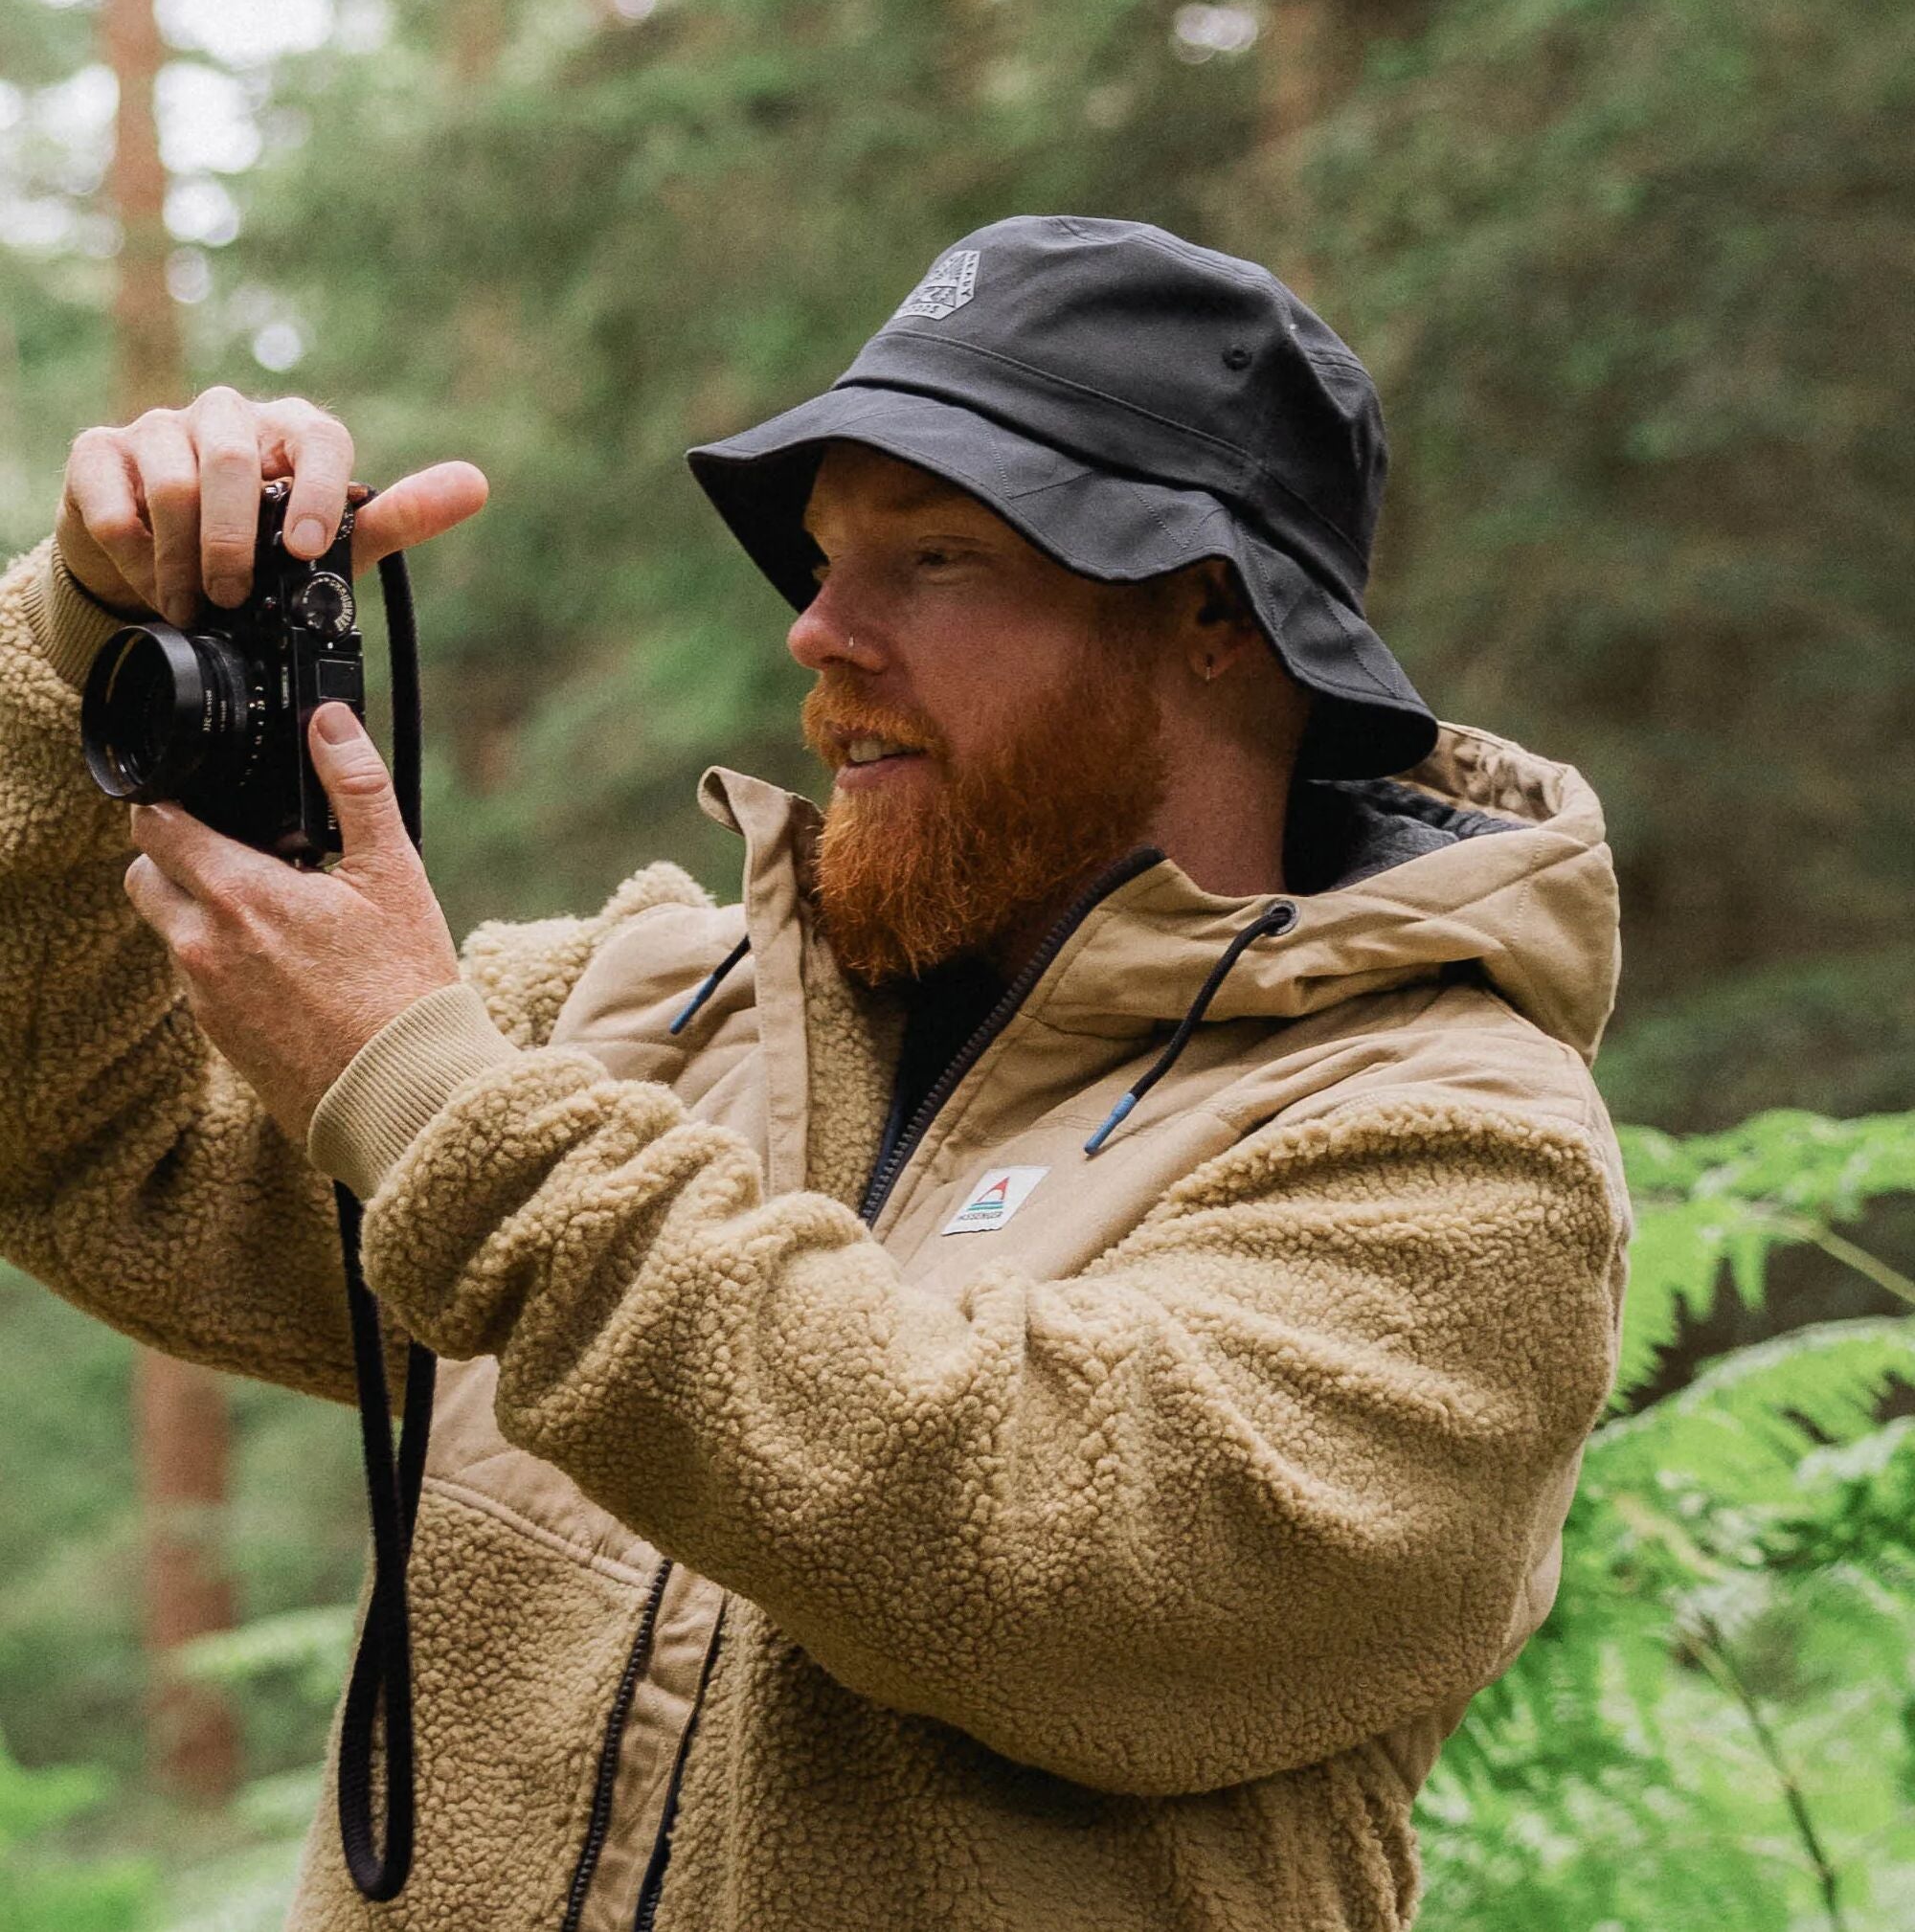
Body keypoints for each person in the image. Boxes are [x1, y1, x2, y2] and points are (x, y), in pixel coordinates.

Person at [0, 215, 1631, 1932]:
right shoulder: (648, 1016)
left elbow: (1045, 1550)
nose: (820, 634)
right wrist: (71, 633)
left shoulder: (1456, 1149)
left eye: (932, 562)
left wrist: (443, 1108)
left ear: (1214, 612)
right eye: (826, 558)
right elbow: (77, 1139)